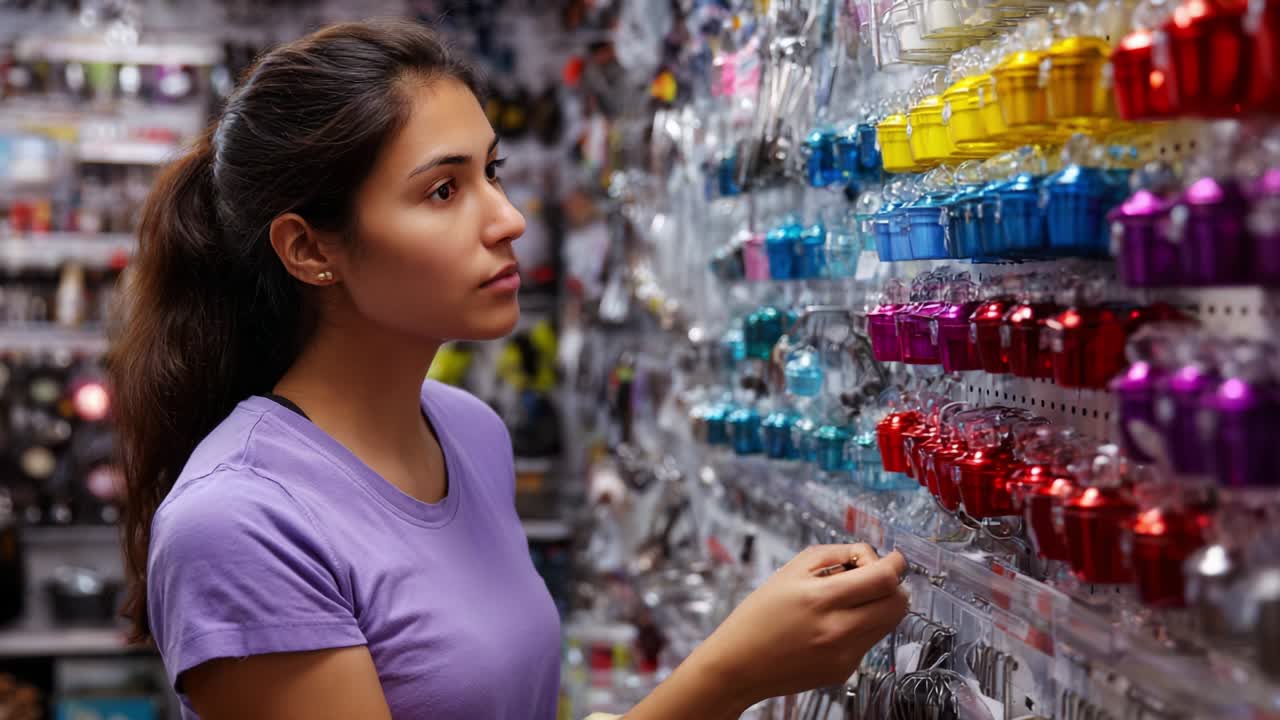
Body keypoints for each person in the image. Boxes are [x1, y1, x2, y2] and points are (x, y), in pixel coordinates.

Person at [109, 19, 910, 720]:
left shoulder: (468, 431)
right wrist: (728, 675)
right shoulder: (240, 523)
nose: (509, 219)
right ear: (310, 249)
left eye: (492, 173)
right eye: (443, 190)